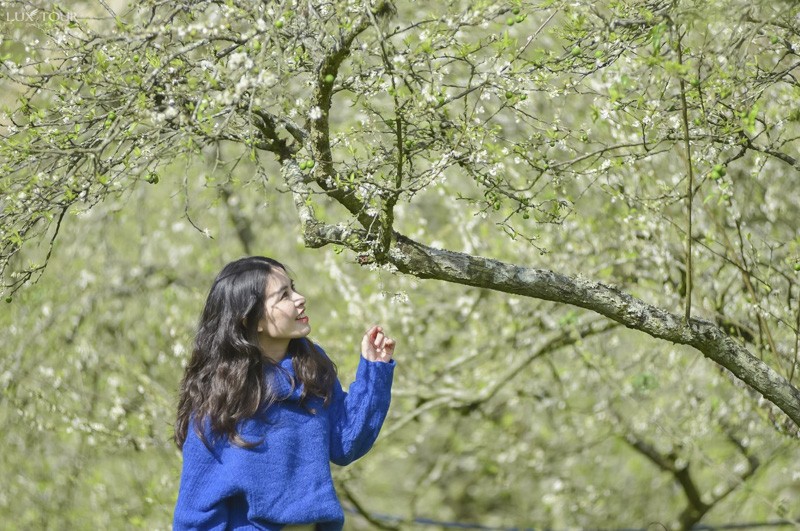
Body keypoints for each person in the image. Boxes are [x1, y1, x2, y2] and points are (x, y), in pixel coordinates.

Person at [173, 256, 396, 530]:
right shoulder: (220, 399)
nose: (300, 298)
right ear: (251, 319)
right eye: (284, 295)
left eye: (293, 288)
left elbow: (345, 443)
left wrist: (375, 370)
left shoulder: (312, 367)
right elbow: (195, 512)